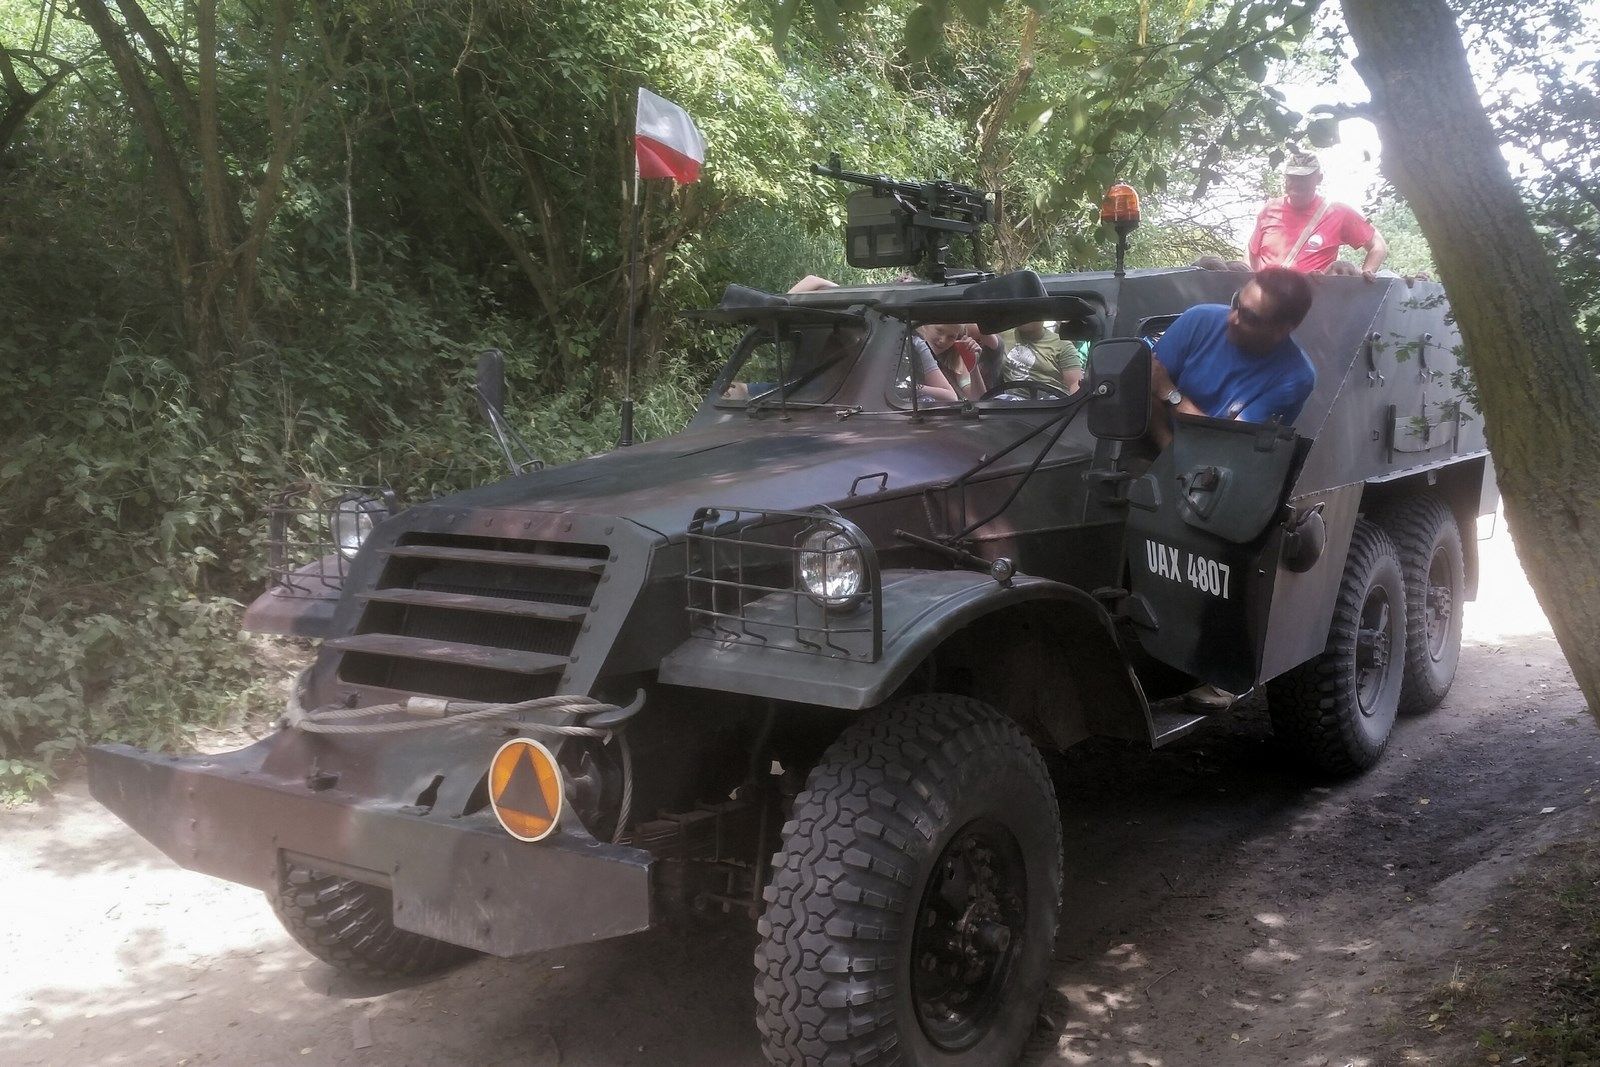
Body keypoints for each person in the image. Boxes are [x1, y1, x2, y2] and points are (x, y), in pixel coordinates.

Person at [1149, 267, 1317, 451]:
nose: (1232, 318)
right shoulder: (1198, 320)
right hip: (1154, 438)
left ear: (1281, 330)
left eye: (1249, 317)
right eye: (1236, 302)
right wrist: (1167, 445)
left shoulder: (1294, 378)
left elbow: (1231, 444)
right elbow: (1146, 388)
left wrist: (1170, 394)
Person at [1248, 151, 1389, 282]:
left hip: (1312, 297)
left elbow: (1378, 245)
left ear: (1319, 178)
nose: (1297, 183)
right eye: (1292, 177)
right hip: (1267, 296)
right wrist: (1248, 284)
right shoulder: (1269, 210)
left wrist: (1364, 278)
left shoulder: (1338, 212)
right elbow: (1251, 252)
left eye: (1304, 178)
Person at [996, 321, 1083, 394]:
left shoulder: (1062, 345)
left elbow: (1075, 384)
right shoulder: (1003, 335)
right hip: (1009, 403)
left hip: (1051, 403)